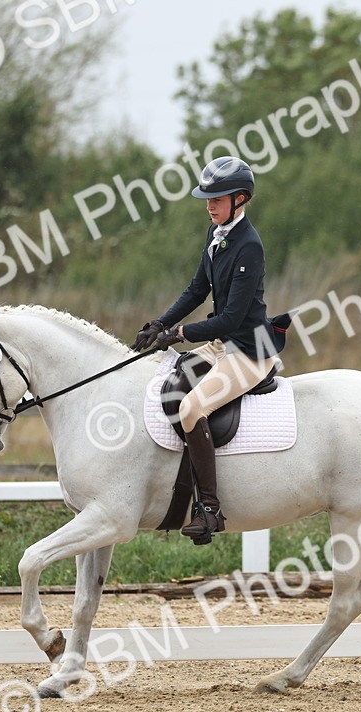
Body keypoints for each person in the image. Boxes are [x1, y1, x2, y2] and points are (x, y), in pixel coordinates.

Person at [132, 155, 289, 541]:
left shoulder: (248, 245)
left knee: (193, 406)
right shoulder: (216, 233)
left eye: (216, 199)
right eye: (207, 198)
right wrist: (162, 324)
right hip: (222, 345)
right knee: (167, 376)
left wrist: (183, 332)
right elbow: (197, 289)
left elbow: (232, 318)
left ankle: (210, 509)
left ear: (239, 199)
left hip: (249, 350)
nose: (208, 205)